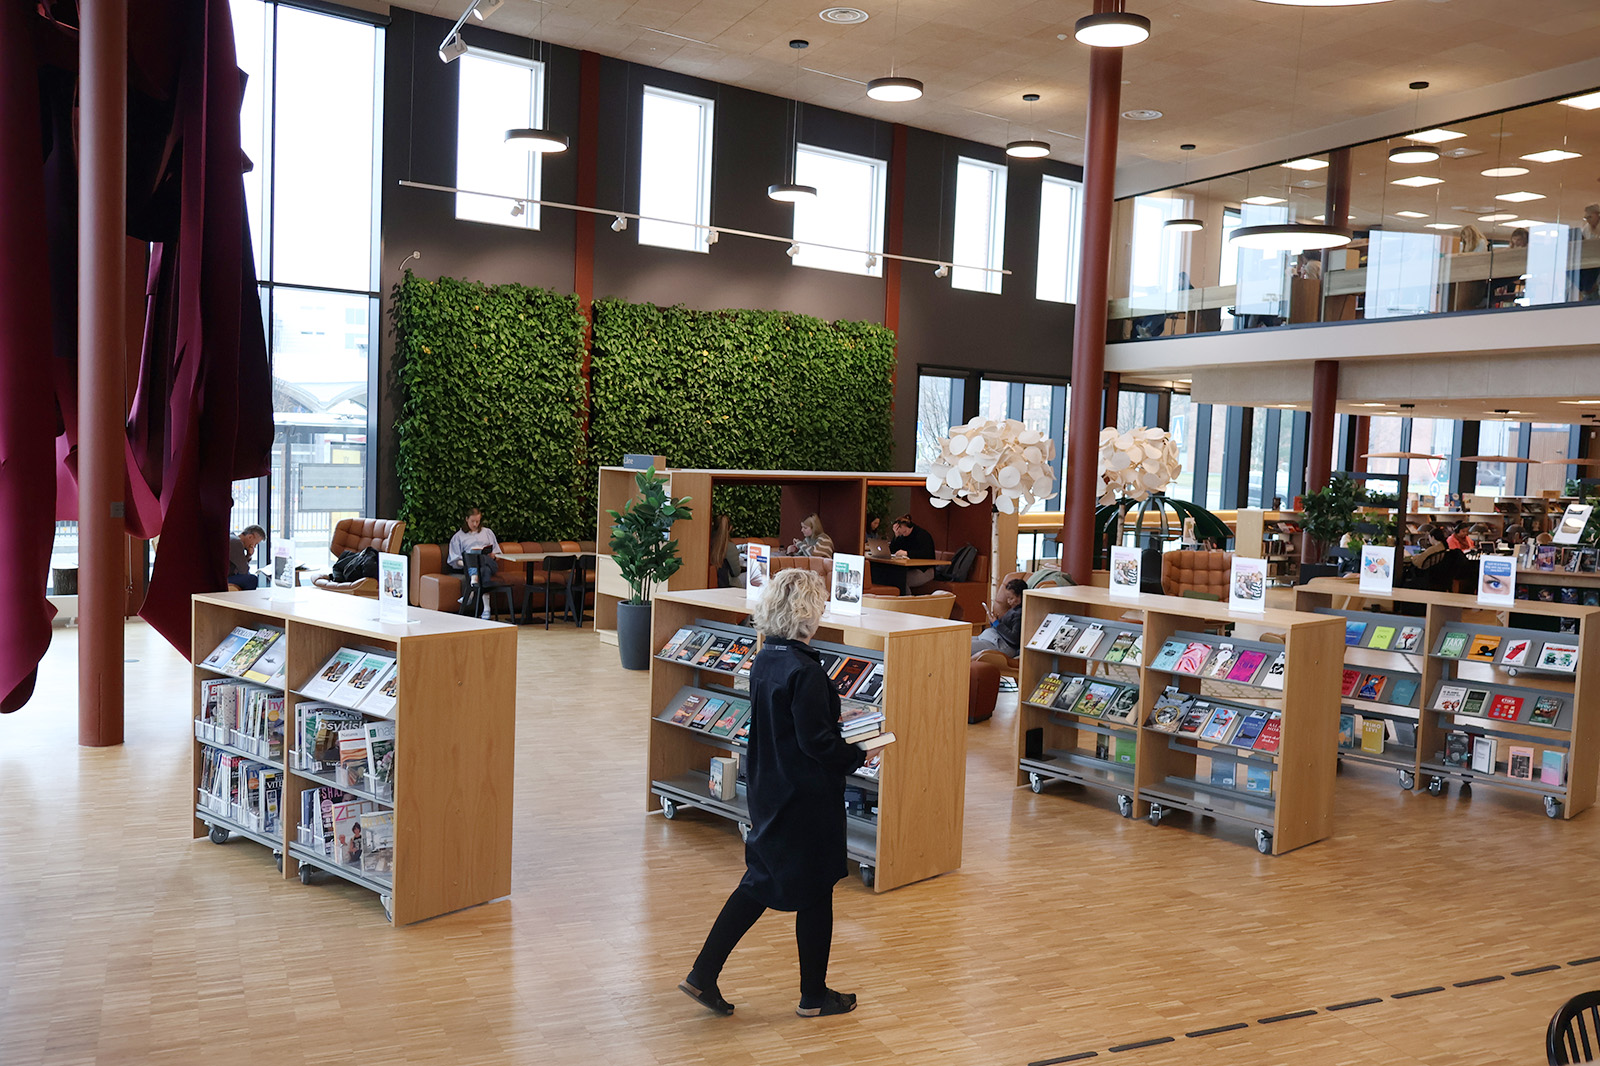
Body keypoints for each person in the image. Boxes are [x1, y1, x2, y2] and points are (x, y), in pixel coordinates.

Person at [679, 569, 870, 1019]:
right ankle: (810, 995)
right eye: (819, 603)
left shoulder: (768, 658)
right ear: (805, 611)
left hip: (771, 787)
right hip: (804, 798)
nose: (823, 611)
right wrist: (858, 753)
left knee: (765, 882)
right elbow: (817, 744)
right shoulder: (805, 671)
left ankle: (710, 974)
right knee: (813, 886)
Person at [447, 506, 500, 617]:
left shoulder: (487, 533)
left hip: (490, 563)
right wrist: (469, 562)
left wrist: (493, 555)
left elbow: (497, 553)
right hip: (472, 567)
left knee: (483, 558)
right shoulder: (458, 537)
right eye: (472, 521)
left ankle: (471, 588)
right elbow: (454, 560)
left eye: (477, 521)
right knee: (483, 569)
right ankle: (486, 609)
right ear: (466, 519)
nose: (475, 524)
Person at [879, 514, 937, 593]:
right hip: (907, 570)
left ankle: (907, 602)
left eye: (904, 531)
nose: (903, 533)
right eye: (900, 531)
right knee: (892, 577)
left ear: (909, 526)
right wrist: (896, 536)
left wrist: (907, 553)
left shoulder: (922, 535)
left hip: (924, 570)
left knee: (900, 580)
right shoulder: (902, 536)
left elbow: (927, 554)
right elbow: (892, 551)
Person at [971, 578, 1027, 658]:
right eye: (1007, 598)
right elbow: (1002, 627)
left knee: (963, 646)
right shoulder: (1013, 610)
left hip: (1002, 644)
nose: (1008, 601)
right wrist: (994, 622)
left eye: (1011, 598)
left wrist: (997, 623)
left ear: (1020, 597)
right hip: (991, 638)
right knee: (960, 640)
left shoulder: (1019, 614)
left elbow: (1014, 639)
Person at [228, 525, 266, 590]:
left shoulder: (233, 537)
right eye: (255, 543)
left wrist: (248, 555)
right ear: (250, 537)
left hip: (223, 576)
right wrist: (249, 555)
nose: (254, 546)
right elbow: (243, 571)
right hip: (222, 578)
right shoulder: (236, 543)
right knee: (252, 579)